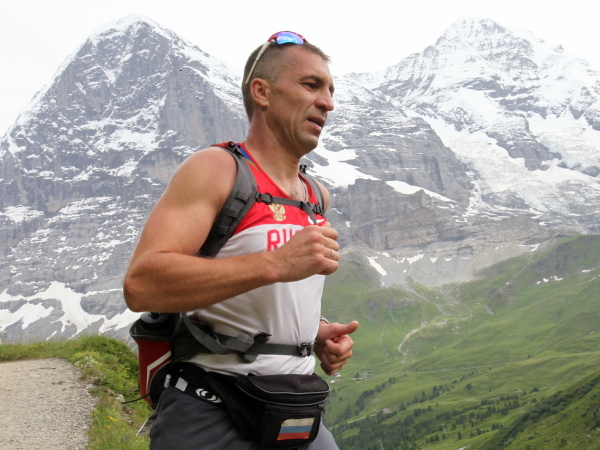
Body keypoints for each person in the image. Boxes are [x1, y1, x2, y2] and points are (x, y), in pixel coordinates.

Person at [123, 31, 359, 449]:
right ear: (261, 91)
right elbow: (142, 285)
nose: (327, 102)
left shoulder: (316, 195)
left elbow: (268, 297)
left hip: (293, 404)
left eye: (330, 91)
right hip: (210, 408)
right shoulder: (217, 169)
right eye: (311, 85)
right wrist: (275, 263)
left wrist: (314, 334)